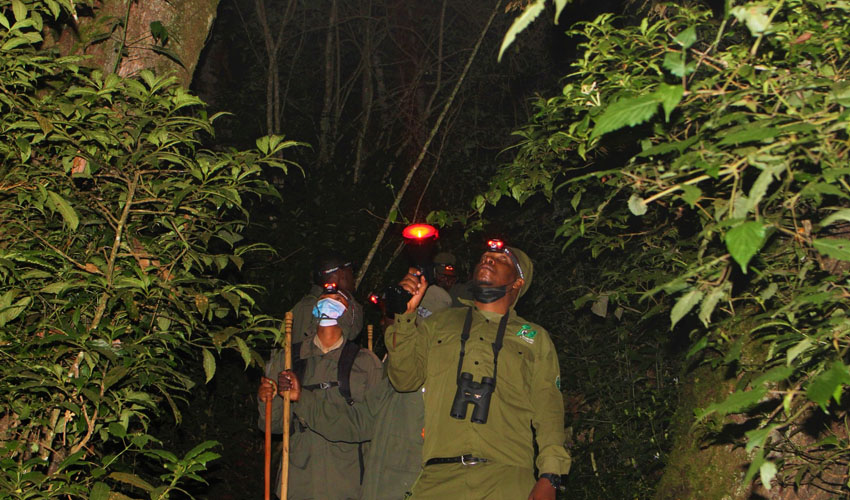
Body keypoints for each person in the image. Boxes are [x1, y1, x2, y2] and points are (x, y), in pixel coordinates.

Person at [384, 240, 571, 500]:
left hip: (507, 479)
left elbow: (548, 409)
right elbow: (404, 380)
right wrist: (404, 316)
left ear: (518, 282)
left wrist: (550, 476)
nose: (488, 260)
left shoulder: (534, 338)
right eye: (484, 256)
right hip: (439, 478)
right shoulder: (438, 323)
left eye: (501, 259)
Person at [275, 282, 454, 500]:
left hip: (388, 486)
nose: (390, 322)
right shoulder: (393, 374)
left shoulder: (442, 379)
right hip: (309, 482)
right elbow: (359, 422)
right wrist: (290, 398)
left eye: (403, 317)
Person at [259, 285, 383, 499]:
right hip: (298, 482)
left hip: (348, 484)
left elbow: (371, 426)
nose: (328, 300)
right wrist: (268, 399)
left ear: (350, 313)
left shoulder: (365, 363)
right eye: (324, 297)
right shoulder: (289, 357)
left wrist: (303, 398)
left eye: (337, 298)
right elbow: (273, 427)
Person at [289, 252, 364, 341]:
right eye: (351, 272)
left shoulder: (334, 304)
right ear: (341, 274)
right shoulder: (312, 306)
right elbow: (302, 350)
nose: (353, 278)